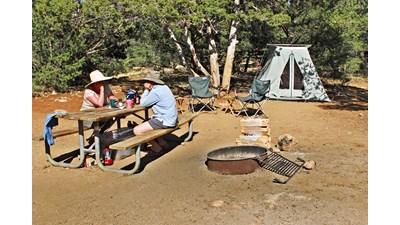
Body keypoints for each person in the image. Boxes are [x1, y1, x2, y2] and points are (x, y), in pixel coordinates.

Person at [134, 70, 178, 154]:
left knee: (137, 130)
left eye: (146, 82)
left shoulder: (156, 92)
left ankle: (156, 147)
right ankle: (162, 143)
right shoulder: (164, 87)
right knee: (145, 122)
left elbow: (143, 104)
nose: (145, 83)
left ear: (151, 83)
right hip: (171, 118)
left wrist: (146, 90)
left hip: (165, 120)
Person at [80, 70, 119, 140]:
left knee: (115, 116)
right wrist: (102, 90)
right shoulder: (88, 91)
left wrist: (115, 100)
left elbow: (111, 97)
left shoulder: (105, 86)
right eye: (99, 82)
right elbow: (99, 104)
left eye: (102, 81)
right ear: (94, 83)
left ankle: (97, 136)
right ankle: (96, 138)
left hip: (101, 114)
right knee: (109, 118)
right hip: (87, 117)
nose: (102, 83)